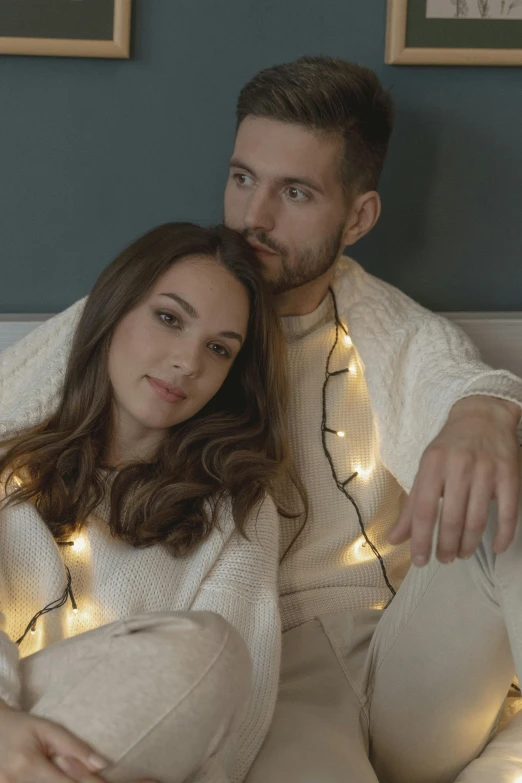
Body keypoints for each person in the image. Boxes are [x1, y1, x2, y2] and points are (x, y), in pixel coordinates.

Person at [1, 56, 522, 781]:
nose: (254, 216)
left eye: (297, 192)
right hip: (278, 658)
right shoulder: (149, 311)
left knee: (511, 486)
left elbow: (454, 377)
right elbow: (20, 404)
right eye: (243, 177)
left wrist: (487, 412)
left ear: (359, 217)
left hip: (412, 650)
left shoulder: (383, 327)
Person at [0, 222, 295, 783]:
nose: (188, 362)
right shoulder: (10, 466)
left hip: (133, 760)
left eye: (218, 348)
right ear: (114, 312)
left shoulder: (238, 512)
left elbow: (236, 712)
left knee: (207, 649)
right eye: (169, 318)